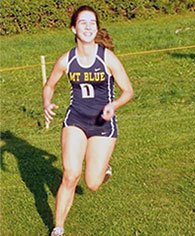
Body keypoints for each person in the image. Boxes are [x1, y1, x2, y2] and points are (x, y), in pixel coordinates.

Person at [42, 5, 134, 236]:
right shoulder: (66, 60)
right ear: (74, 28)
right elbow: (49, 85)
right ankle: (58, 228)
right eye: (83, 22)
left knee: (92, 183)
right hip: (76, 120)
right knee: (70, 174)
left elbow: (128, 91)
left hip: (103, 125)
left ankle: (104, 170)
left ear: (97, 27)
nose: (88, 26)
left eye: (92, 22)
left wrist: (113, 105)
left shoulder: (107, 58)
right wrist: (47, 103)